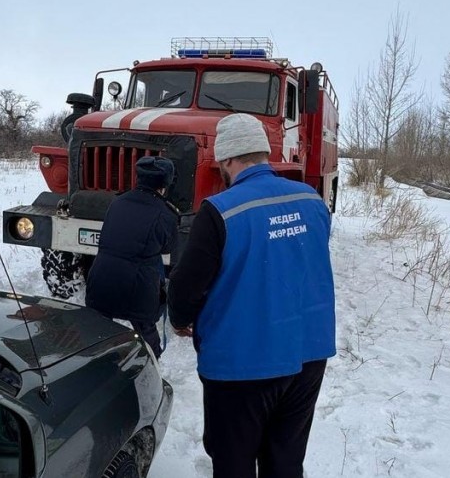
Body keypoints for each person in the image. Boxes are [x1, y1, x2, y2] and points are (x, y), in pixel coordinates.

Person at [168, 113, 335, 478]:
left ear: (228, 159)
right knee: (285, 460)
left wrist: (181, 320)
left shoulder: (219, 211)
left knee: (234, 463)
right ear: (262, 152)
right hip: (308, 355)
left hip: (241, 364)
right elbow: (299, 259)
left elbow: (186, 287)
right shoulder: (312, 201)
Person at [85, 156, 178, 358]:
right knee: (147, 334)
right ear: (165, 184)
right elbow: (167, 247)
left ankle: (94, 366)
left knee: (96, 330)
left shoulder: (117, 202)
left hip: (100, 278)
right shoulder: (166, 214)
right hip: (138, 286)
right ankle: (151, 371)